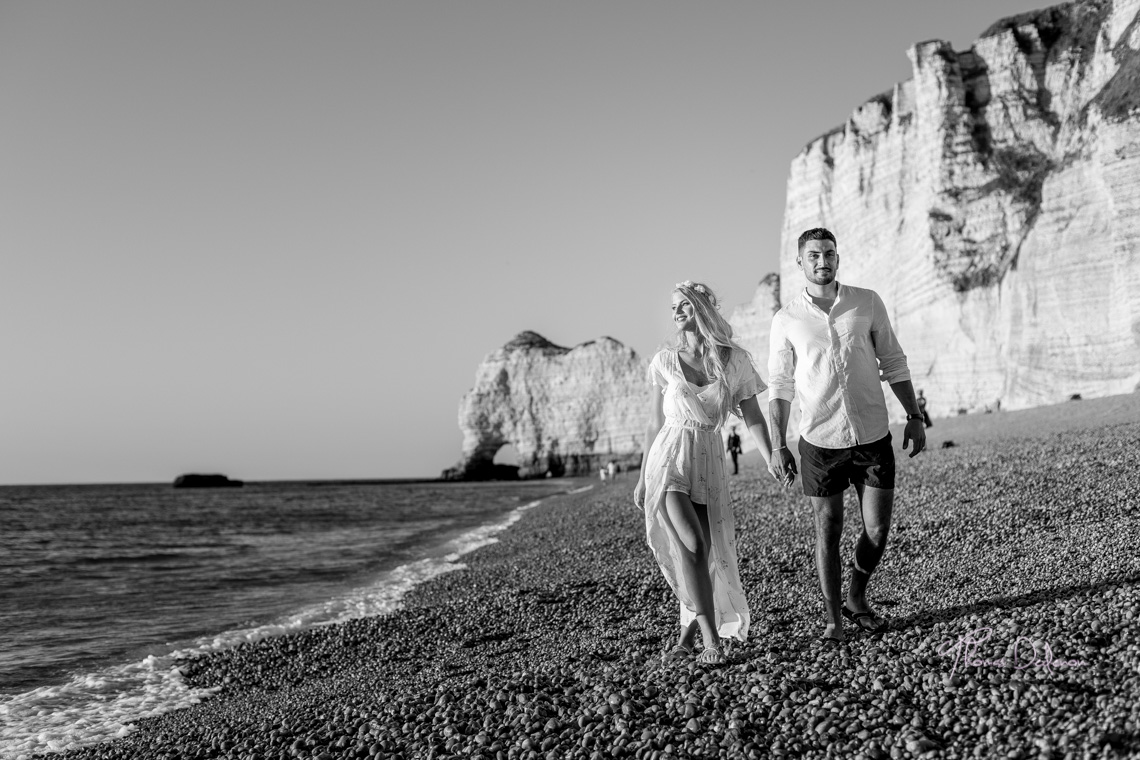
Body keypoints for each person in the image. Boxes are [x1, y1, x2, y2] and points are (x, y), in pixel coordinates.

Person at [768, 228, 926, 646]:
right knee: (828, 529)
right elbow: (780, 386)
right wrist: (777, 444)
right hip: (820, 440)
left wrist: (914, 415)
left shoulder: (866, 302)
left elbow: (892, 359)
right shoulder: (786, 319)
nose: (823, 260)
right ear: (800, 262)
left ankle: (857, 597)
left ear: (838, 258)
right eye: (814, 255)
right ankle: (834, 618)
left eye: (830, 253)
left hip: (872, 433)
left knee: (877, 530)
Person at [633, 280, 775, 666]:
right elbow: (652, 424)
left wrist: (772, 455)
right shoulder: (664, 361)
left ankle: (685, 638)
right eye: (673, 306)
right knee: (693, 545)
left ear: (702, 307)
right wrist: (642, 476)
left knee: (703, 555)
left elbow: (754, 417)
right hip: (668, 455)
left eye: (684, 305)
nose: (676, 312)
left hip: (708, 458)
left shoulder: (734, 361)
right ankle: (712, 641)